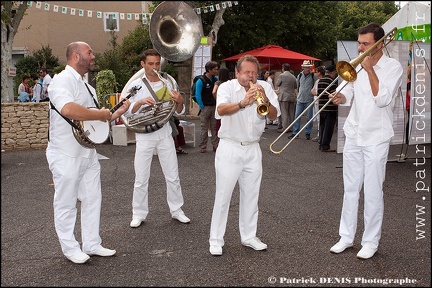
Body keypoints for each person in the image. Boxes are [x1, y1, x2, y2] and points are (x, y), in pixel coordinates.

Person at [46, 41, 131, 264]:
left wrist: (118, 111)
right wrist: (100, 114)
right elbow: (67, 109)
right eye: (89, 52)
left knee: (93, 198)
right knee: (66, 203)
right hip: (66, 153)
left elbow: (96, 121)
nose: (93, 56)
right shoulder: (61, 81)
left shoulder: (88, 87)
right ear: (75, 56)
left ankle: (92, 243)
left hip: (88, 153)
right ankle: (70, 248)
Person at [329, 23, 403, 259]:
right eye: (359, 42)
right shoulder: (357, 66)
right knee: (350, 189)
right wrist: (341, 96)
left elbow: (382, 99)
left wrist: (370, 70)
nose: (360, 47)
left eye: (365, 44)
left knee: (372, 191)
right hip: (354, 133)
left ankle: (370, 241)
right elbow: (350, 91)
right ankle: (346, 237)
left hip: (376, 137)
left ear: (379, 44)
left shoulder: (393, 67)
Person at [208, 55, 281, 256]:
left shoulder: (264, 87)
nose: (250, 76)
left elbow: (274, 115)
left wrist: (265, 100)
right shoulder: (227, 87)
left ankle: (249, 236)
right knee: (223, 196)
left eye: (254, 72)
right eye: (246, 72)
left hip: (253, 148)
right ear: (237, 73)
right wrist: (242, 102)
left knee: (251, 195)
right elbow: (221, 110)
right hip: (230, 147)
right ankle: (216, 239)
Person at [123, 48, 190, 228]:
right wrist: (138, 103)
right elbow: (125, 112)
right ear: (143, 64)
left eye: (157, 64)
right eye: (150, 64)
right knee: (141, 177)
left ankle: (177, 210)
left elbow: (179, 111)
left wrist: (180, 101)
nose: (154, 68)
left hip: (164, 134)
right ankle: (138, 213)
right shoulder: (135, 85)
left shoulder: (167, 83)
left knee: (173, 175)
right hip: (144, 136)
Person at [288, 60, 317, 140]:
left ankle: (308, 132)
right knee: (297, 116)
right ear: (303, 67)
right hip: (300, 98)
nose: (307, 68)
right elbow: (298, 86)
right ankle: (295, 132)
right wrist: (298, 94)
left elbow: (315, 85)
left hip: (309, 98)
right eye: (305, 67)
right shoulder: (300, 75)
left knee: (309, 117)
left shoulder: (313, 76)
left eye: (308, 67)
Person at [195, 61, 220, 153]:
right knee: (204, 128)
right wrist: (202, 107)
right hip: (205, 106)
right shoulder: (200, 81)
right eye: (215, 69)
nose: (217, 71)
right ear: (209, 70)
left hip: (214, 106)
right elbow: (198, 95)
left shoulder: (215, 79)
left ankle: (215, 145)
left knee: (214, 127)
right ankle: (203, 146)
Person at [316, 65, 338, 152]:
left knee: (322, 127)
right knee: (328, 128)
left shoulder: (320, 80)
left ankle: (321, 144)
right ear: (332, 72)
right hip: (330, 108)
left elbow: (318, 93)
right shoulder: (332, 81)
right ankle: (325, 146)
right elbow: (333, 94)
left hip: (322, 107)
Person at [275, 63, 297, 133]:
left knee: (284, 112)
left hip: (284, 96)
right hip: (292, 96)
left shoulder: (281, 75)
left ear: (283, 68)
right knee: (291, 113)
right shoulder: (293, 77)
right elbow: (295, 86)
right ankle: (291, 127)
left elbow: (277, 84)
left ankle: (284, 128)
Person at [212, 67, 231, 136]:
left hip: (220, 105)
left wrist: (217, 98)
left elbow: (213, 91)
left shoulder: (218, 82)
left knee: (219, 124)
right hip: (229, 105)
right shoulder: (230, 83)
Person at [311, 66, 326, 141]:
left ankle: (320, 135)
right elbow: (312, 91)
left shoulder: (322, 81)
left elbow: (318, 93)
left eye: (316, 72)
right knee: (318, 118)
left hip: (320, 101)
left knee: (320, 119)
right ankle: (319, 134)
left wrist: (316, 93)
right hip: (316, 101)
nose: (315, 73)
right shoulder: (317, 81)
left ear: (319, 73)